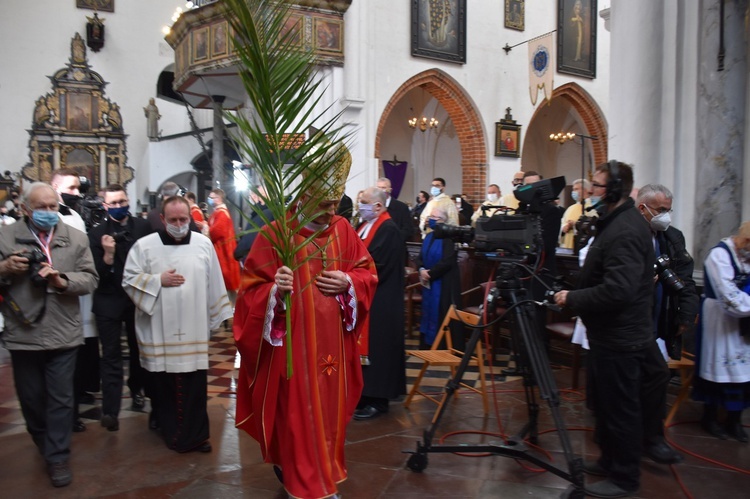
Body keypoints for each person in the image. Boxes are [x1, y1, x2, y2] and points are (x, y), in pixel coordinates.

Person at [233, 160, 378, 499]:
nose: (330, 212)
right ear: (304, 195)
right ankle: (308, 485)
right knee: (298, 417)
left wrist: (348, 281)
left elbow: (367, 274)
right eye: (322, 203)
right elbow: (249, 293)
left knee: (329, 416)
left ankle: (321, 474)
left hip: (335, 349)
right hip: (294, 351)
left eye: (334, 203)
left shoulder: (344, 230)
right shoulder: (275, 234)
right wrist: (274, 291)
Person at [554, 161, 681, 498]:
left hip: (621, 337)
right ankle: (610, 460)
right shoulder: (616, 222)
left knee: (621, 407)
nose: (591, 191)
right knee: (608, 404)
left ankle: (624, 477)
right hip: (612, 334)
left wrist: (573, 297)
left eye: (596, 185)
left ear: (611, 190)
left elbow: (618, 290)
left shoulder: (624, 229)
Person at [0, 182, 98, 487]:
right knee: (31, 399)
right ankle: (44, 442)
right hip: (23, 329)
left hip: (63, 331)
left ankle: (57, 457)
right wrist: (5, 266)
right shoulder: (5, 236)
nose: (48, 213)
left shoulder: (76, 238)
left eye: (53, 207)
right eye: (41, 208)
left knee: (61, 398)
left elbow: (91, 279)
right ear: (25, 209)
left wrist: (61, 280)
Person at [122, 196, 233, 452]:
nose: (180, 224)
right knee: (163, 386)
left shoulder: (203, 244)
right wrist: (157, 280)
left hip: (193, 328)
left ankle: (196, 436)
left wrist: (216, 316)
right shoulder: (144, 246)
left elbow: (215, 281)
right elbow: (128, 280)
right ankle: (169, 430)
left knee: (194, 386)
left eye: (184, 219)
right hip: (158, 330)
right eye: (173, 220)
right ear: (163, 219)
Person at [89, 184, 153, 431]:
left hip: (137, 300)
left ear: (129, 201)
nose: (118, 206)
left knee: (139, 352)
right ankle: (110, 410)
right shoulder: (97, 234)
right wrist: (107, 255)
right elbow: (95, 275)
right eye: (113, 203)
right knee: (111, 356)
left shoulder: (143, 227)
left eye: (122, 201)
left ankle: (137, 390)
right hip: (108, 301)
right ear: (105, 206)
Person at [692, 222, 750, 442]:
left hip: (745, 324)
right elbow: (729, 296)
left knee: (745, 371)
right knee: (719, 367)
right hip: (720, 319)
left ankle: (734, 421)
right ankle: (710, 417)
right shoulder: (720, 255)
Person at [353, 187, 406, 420]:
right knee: (365, 348)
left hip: (382, 299)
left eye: (363, 202)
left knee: (379, 348)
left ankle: (379, 399)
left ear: (377, 206)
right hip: (365, 297)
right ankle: (364, 395)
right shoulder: (364, 226)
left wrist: (350, 273)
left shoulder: (388, 229)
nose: (359, 206)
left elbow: (378, 264)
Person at [50, 169, 97, 433]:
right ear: (55, 187)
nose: (77, 193)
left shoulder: (76, 215)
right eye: (71, 188)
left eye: (79, 188)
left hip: (81, 292)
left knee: (79, 353)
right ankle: (64, 414)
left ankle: (77, 398)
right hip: (58, 296)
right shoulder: (49, 217)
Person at [636, 184, 699, 360]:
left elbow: (685, 277)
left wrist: (685, 315)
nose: (666, 217)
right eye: (661, 210)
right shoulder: (629, 234)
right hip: (634, 318)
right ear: (642, 208)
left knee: (657, 376)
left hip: (662, 315)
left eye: (668, 211)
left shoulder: (673, 238)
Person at [416, 206, 461, 350]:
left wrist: (431, 273)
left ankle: (441, 346)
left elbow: (448, 261)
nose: (430, 219)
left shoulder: (449, 238)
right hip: (429, 282)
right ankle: (427, 344)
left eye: (434, 217)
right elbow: (420, 257)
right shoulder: (429, 236)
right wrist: (422, 269)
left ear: (442, 220)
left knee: (440, 311)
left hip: (444, 283)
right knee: (427, 311)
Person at [207, 189, 241, 304]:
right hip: (221, 250)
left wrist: (205, 229)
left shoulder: (221, 213)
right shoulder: (218, 212)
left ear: (218, 198)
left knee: (225, 282)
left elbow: (217, 232)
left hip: (223, 252)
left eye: (212, 197)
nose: (210, 200)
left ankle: (229, 311)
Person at [234, 186, 274, 263]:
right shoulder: (258, 214)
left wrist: (240, 254)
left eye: (253, 195)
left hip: (255, 261)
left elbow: (252, 240)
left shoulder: (265, 214)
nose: (252, 197)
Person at [559, 178, 595, 250]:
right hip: (566, 247)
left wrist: (575, 225)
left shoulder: (592, 208)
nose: (573, 192)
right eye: (573, 189)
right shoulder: (570, 208)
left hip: (581, 248)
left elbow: (591, 228)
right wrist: (564, 228)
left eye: (576, 189)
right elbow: (562, 223)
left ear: (585, 190)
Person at [376, 177, 413, 243]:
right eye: (378, 188)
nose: (380, 191)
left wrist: (395, 239)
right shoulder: (373, 206)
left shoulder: (401, 207)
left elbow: (408, 230)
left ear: (390, 190)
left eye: (383, 188)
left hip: (394, 246)